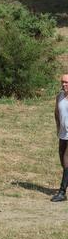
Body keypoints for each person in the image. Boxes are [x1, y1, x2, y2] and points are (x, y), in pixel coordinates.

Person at [52, 74, 68, 202]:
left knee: (67, 159)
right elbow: (56, 113)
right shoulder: (59, 97)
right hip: (62, 134)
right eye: (62, 82)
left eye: (66, 82)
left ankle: (62, 192)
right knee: (62, 160)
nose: (64, 85)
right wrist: (58, 127)